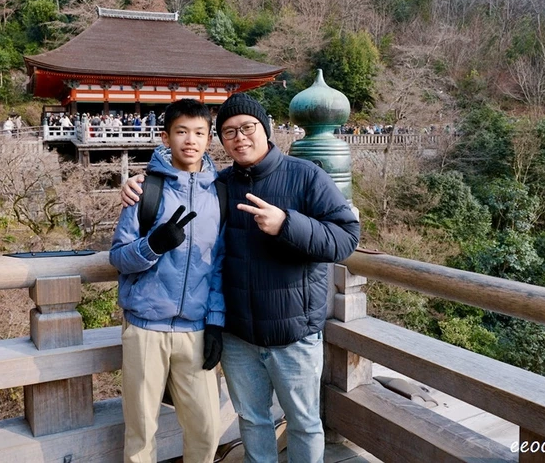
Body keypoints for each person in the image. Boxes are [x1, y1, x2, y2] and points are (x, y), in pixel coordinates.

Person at [121, 93, 360, 463]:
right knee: (251, 420)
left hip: (291, 330)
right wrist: (139, 190)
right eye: (229, 131)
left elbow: (346, 238)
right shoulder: (221, 184)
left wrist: (287, 224)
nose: (239, 137)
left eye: (247, 127)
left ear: (265, 129)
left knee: (304, 423)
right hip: (237, 336)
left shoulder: (305, 175)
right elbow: (215, 260)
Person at [110, 98, 225, 463]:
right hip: (146, 327)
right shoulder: (146, 191)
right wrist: (152, 245)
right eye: (181, 132)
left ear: (209, 139)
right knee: (141, 434)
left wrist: (217, 324)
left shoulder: (220, 192)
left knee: (207, 430)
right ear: (166, 137)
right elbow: (118, 257)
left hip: (195, 330)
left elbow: (220, 265)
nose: (190, 140)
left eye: (199, 133)